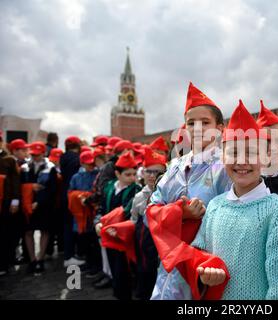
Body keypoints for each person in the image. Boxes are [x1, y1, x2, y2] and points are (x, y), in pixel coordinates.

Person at [191, 100, 278, 299]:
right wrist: (204, 270)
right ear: (222, 157)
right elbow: (199, 252)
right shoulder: (215, 206)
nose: (241, 161)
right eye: (233, 152)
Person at [148, 82, 231, 300]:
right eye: (191, 122)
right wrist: (180, 212)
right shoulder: (174, 167)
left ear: (220, 128)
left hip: (207, 265)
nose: (197, 128)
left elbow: (233, 215)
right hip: (170, 262)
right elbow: (151, 210)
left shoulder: (227, 167)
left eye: (205, 122)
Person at [94, 151, 141, 300]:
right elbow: (101, 208)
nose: (132, 178)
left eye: (134, 174)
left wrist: (117, 228)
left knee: (124, 271)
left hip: (123, 236)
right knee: (112, 265)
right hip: (107, 233)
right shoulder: (109, 187)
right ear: (117, 173)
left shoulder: (136, 189)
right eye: (128, 174)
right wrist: (98, 222)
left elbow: (129, 213)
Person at [130, 147, 167, 300]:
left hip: (163, 246)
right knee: (144, 277)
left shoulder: (169, 193)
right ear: (143, 172)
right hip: (145, 246)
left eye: (157, 172)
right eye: (149, 171)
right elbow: (133, 220)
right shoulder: (139, 196)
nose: (153, 176)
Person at [20, 141, 57, 275]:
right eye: (33, 154)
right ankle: (32, 260)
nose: (35, 157)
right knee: (28, 232)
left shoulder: (50, 167)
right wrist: (31, 188)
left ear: (43, 153)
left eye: (37, 154)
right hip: (27, 204)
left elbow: (52, 189)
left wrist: (39, 202)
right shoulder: (24, 167)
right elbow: (21, 185)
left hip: (44, 205)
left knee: (44, 231)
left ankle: (40, 259)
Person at [60, 136, 84, 267]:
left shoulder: (63, 157)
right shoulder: (76, 159)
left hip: (65, 194)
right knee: (72, 225)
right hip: (74, 195)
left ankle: (69, 254)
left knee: (67, 225)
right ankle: (70, 255)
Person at [0, 134, 22, 275]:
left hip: (6, 202)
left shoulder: (8, 160)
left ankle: (5, 263)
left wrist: (15, 201)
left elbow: (15, 182)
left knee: (6, 234)